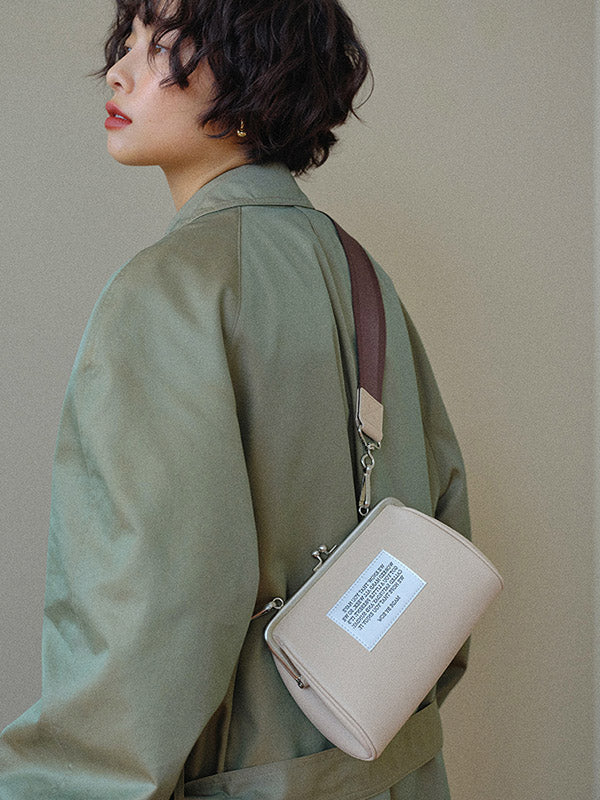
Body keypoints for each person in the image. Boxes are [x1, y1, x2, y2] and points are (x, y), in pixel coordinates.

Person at [0, 1, 470, 798]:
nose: (118, 71)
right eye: (126, 41)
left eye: (164, 46)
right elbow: (441, 541)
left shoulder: (170, 291)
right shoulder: (364, 278)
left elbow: (146, 625)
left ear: (257, 73)